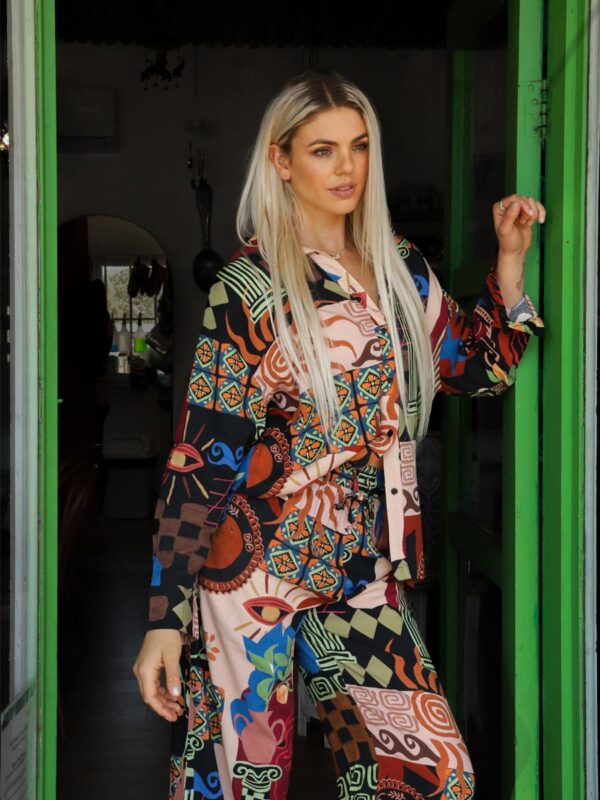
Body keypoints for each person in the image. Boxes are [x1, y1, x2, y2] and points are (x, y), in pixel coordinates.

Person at [133, 70, 545, 800]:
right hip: (249, 576)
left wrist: (508, 264)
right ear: (281, 160)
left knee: (427, 778)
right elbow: (201, 458)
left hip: (362, 576)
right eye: (323, 150)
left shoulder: (402, 273)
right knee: (241, 785)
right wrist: (166, 617)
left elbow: (475, 369)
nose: (347, 166)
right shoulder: (251, 287)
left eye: (358, 147)